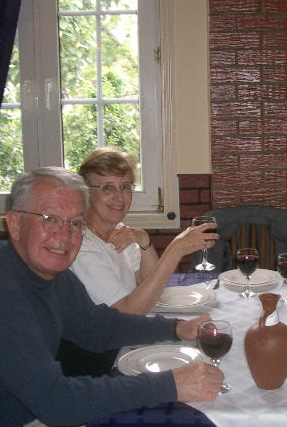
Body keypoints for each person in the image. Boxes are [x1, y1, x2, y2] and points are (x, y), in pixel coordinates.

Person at [0, 167, 223, 427]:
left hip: (30, 416)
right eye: (50, 219)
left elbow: (97, 326)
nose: (64, 235)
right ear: (15, 224)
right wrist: (169, 385)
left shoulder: (46, 273)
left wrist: (173, 329)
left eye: (76, 223)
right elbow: (57, 403)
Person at [58, 147, 217, 377]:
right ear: (85, 192)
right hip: (95, 366)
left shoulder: (119, 232)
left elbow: (151, 288)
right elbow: (129, 314)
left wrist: (144, 242)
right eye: (107, 187)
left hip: (124, 343)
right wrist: (175, 249)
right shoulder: (81, 246)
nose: (119, 197)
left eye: (125, 187)